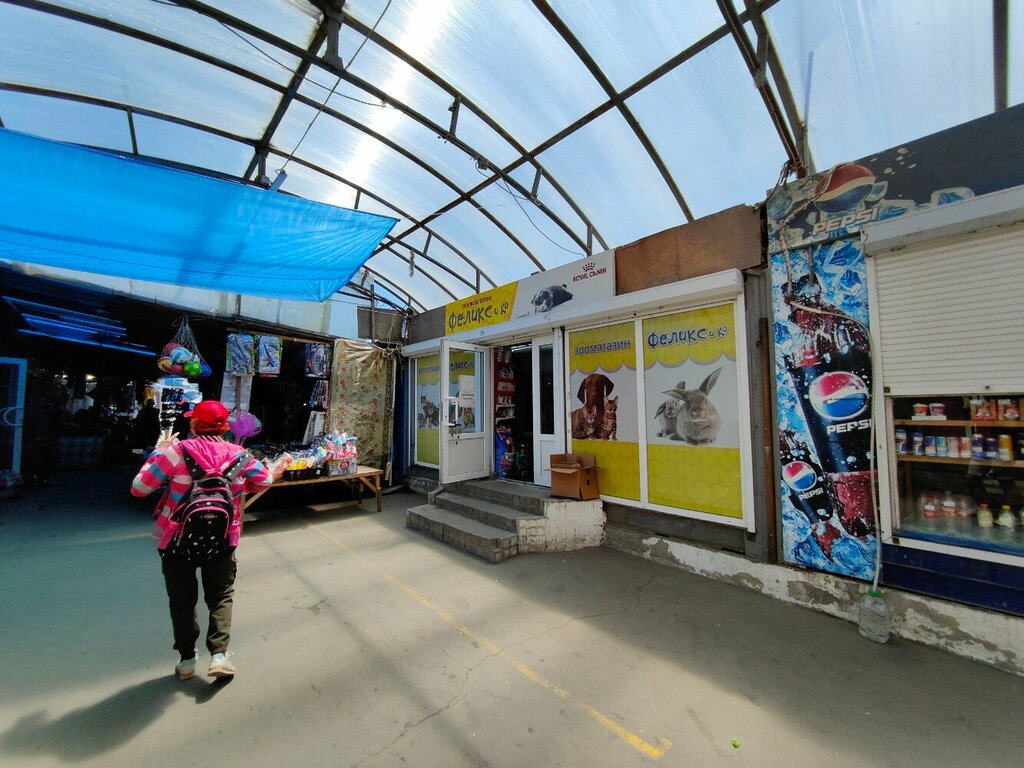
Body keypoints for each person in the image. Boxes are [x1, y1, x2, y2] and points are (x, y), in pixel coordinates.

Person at [130, 400, 284, 680]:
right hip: (222, 539)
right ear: (225, 427)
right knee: (221, 595)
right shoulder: (239, 454)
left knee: (182, 600)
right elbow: (264, 481)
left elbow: (139, 489)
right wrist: (243, 484)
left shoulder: (176, 452)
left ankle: (187, 661)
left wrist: (158, 452)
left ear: (193, 424)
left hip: (177, 540)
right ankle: (219, 656)